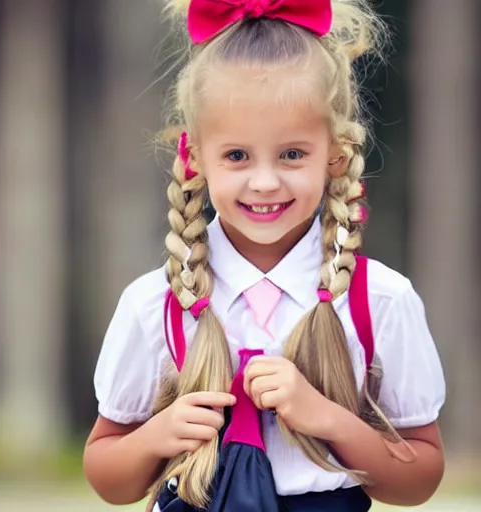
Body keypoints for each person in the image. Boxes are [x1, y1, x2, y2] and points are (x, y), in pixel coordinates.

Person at [83, 1, 446, 510]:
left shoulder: (380, 301)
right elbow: (107, 477)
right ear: (196, 158)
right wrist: (158, 436)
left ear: (334, 156)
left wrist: (327, 419)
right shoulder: (153, 305)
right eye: (236, 156)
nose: (265, 181)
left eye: (293, 154)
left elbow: (420, 478)